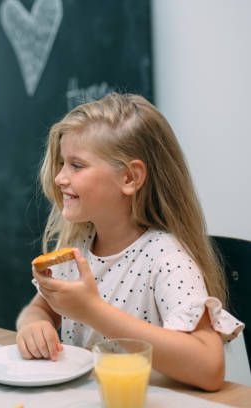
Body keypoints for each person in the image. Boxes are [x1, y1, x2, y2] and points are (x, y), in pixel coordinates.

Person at [16, 93, 244, 391]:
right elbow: (40, 308)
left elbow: (210, 368)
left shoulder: (165, 256)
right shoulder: (79, 246)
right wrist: (34, 325)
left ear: (129, 178)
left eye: (77, 165)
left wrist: (93, 311)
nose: (59, 178)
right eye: (61, 163)